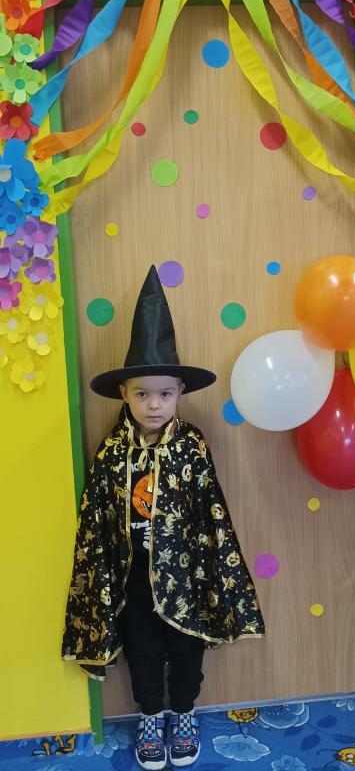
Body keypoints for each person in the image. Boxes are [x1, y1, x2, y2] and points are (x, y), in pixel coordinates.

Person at [62, 264, 265, 770]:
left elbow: (211, 514)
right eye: (142, 393)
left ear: (180, 392)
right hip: (133, 577)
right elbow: (96, 522)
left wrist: (213, 573)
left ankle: (184, 713)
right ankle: (151, 716)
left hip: (186, 574)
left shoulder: (192, 445)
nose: (154, 405)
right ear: (124, 394)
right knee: (143, 651)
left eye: (165, 393)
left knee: (186, 648)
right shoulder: (111, 451)